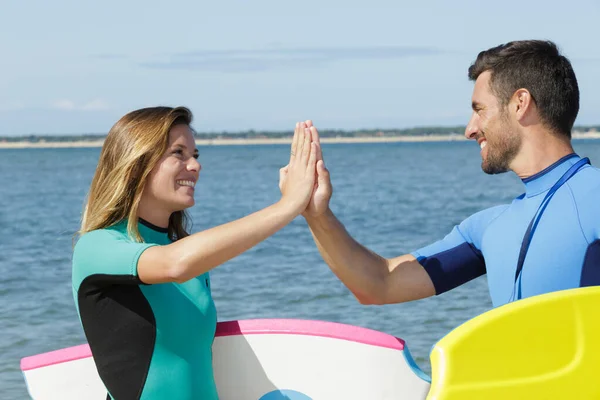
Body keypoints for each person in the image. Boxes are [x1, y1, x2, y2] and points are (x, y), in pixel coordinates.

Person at [283, 40, 600, 311]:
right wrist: (316, 212)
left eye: (479, 109)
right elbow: (380, 283)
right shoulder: (488, 228)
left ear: (520, 103)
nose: (470, 129)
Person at [72, 107, 317, 400]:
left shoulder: (192, 259)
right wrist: (288, 206)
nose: (195, 166)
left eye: (196, 156)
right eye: (179, 153)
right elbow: (174, 265)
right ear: (136, 162)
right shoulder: (97, 246)